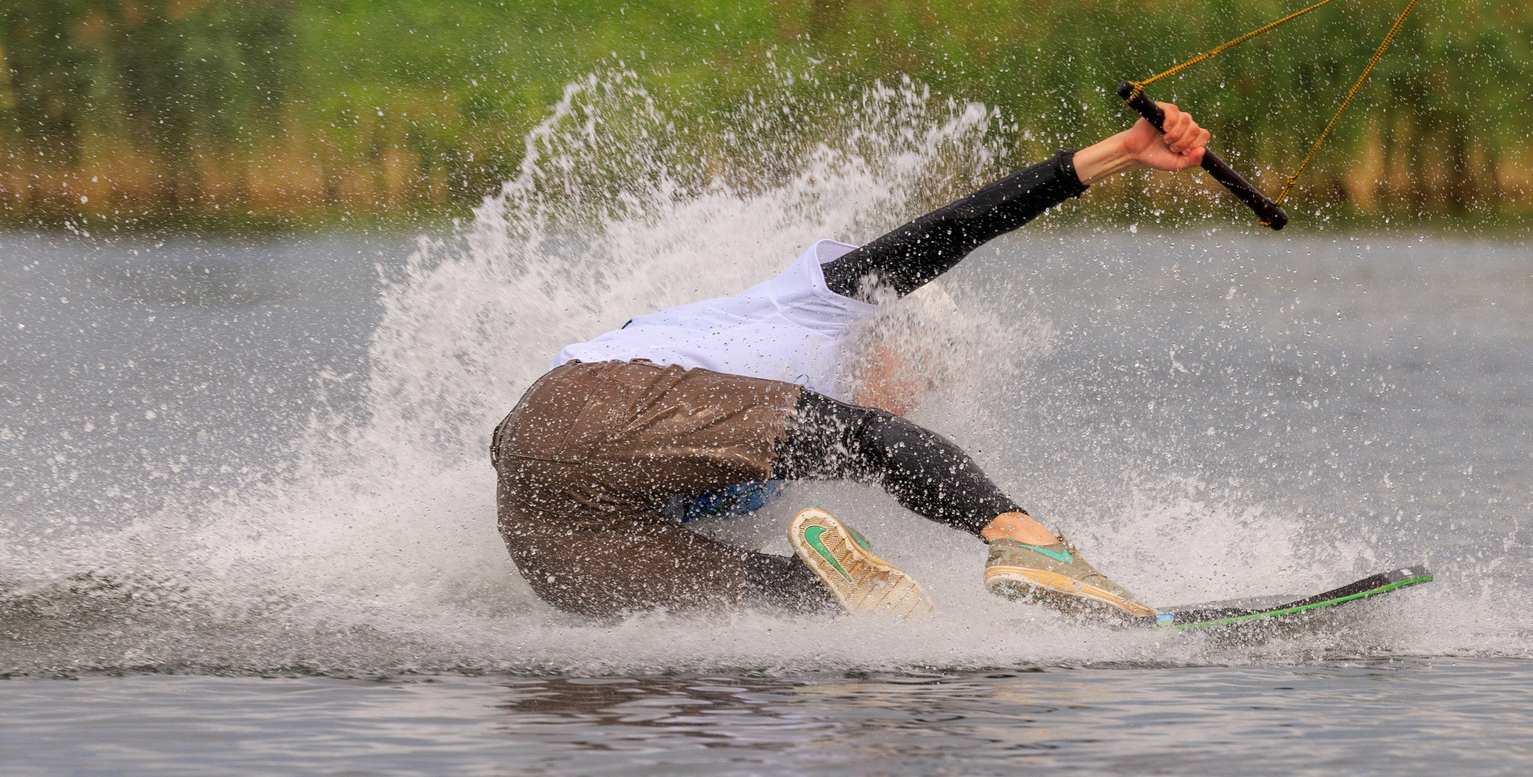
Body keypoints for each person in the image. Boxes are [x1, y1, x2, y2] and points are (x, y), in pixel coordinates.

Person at [488, 98, 1214, 623]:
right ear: (892, 329)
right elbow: (959, 224)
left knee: (804, 607)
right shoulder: (827, 303)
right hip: (590, 402)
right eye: (923, 372)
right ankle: (1030, 545)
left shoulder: (761, 439)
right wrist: (1115, 154)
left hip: (558, 541)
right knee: (873, 441)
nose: (917, 396)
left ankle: (835, 617)